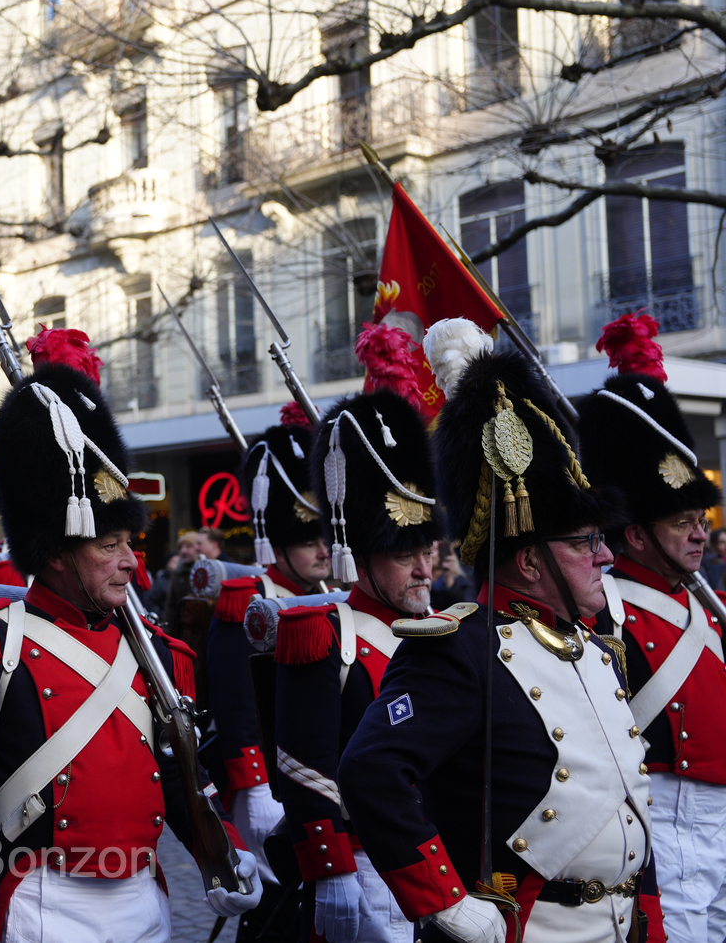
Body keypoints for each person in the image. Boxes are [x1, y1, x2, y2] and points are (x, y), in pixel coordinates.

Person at [0, 326, 260, 942]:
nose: (130, 561)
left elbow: (178, 774)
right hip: (43, 902)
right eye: (109, 545)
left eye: (128, 542)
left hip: (144, 896)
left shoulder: (151, 649)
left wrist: (226, 851)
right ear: (55, 552)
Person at [340, 323, 661, 943]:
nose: (605, 556)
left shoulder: (598, 649)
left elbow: (629, 809)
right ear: (530, 560)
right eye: (583, 542)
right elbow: (371, 770)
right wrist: (444, 901)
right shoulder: (459, 649)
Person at [271, 386, 445, 943]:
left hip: (446, 856)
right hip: (368, 862)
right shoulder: (324, 633)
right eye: (404, 555)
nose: (423, 570)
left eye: (427, 552)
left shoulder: (451, 631)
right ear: (361, 558)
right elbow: (305, 764)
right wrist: (331, 870)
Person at [577, 314, 726, 942]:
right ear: (635, 533)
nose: (699, 534)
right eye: (681, 523)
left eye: (700, 520)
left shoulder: (704, 603)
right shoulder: (603, 608)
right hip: (668, 808)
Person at [205, 409, 329, 938]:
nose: (322, 549)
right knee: (273, 916)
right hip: (268, 785)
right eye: (307, 540)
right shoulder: (249, 601)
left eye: (324, 536)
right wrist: (254, 787)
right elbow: (236, 703)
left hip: (321, 783)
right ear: (278, 544)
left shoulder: (329, 596)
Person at [429, 543, 475, 609]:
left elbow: (464, 608)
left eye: (441, 549)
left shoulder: (463, 582)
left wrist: (449, 579)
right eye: (433, 549)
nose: (439, 554)